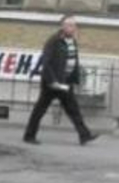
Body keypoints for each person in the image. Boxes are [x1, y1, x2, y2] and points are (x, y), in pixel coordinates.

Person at [23, 14, 98, 145]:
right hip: (52, 83)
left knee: (73, 110)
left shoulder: (72, 41)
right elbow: (46, 62)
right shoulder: (54, 41)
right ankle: (29, 135)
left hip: (66, 82)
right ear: (62, 27)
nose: (72, 28)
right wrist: (52, 81)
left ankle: (84, 135)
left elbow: (73, 60)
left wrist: (74, 78)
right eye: (69, 25)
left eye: (74, 25)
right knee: (40, 109)